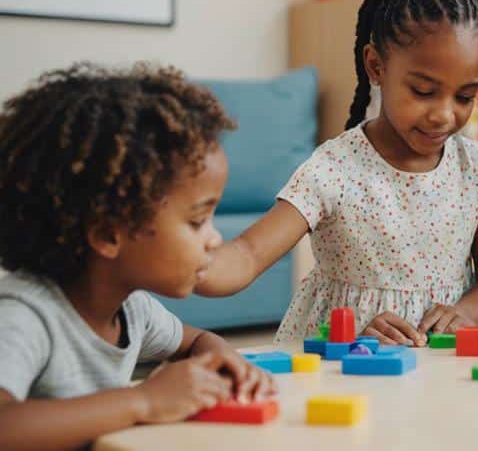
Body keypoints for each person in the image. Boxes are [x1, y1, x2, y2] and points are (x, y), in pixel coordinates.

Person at [197, 0, 478, 346]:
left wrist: (468, 311)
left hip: (439, 363)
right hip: (343, 365)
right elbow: (249, 254)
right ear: (376, 66)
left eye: (466, 95)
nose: (444, 115)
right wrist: (189, 263)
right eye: (423, 91)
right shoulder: (336, 169)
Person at [0, 63, 276, 451]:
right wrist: (144, 400)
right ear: (108, 233)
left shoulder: (133, 311)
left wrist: (223, 362)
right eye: (197, 220)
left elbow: (197, 340)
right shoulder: (25, 315)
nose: (215, 239)